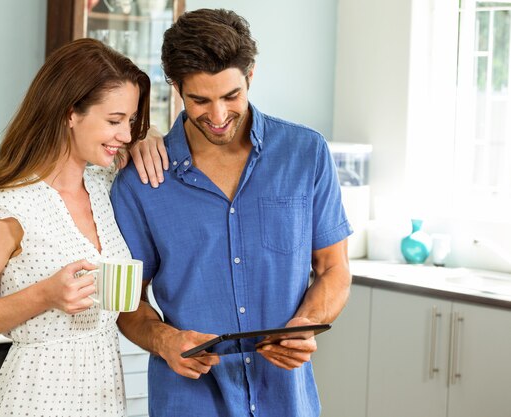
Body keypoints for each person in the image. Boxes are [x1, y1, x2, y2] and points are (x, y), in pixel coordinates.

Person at [110, 8, 353, 417]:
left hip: (287, 401)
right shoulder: (142, 179)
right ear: (177, 88)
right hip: (188, 401)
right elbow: (125, 302)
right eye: (200, 100)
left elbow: (334, 269)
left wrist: (306, 322)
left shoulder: (305, 153)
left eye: (231, 96)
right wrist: (163, 340)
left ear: (250, 76)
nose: (218, 117)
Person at [0, 38, 167, 416]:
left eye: (129, 120)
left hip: (103, 394)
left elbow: (143, 141)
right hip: (37, 398)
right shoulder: (9, 210)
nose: (125, 134)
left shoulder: (105, 187)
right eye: (114, 121)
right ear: (69, 112)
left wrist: (149, 136)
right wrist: (44, 295)